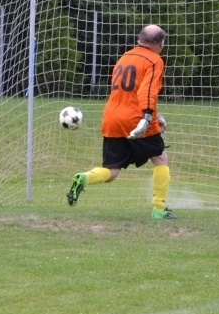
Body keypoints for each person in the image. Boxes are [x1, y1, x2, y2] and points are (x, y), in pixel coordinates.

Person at [67, 24, 176, 220]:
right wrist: (148, 116)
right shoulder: (154, 60)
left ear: (139, 39)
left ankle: (85, 177)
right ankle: (159, 209)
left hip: (112, 117)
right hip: (136, 118)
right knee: (160, 159)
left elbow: (128, 92)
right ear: (160, 43)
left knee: (112, 171)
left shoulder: (125, 57)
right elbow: (146, 92)